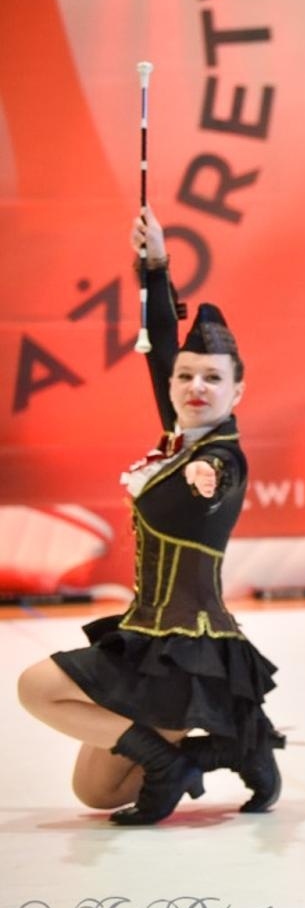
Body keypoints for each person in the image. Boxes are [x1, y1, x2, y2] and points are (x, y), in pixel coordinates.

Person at [17, 208, 281, 825]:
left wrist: (206, 484)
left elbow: (218, 487)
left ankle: (176, 759)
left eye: (213, 379)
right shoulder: (175, 438)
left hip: (182, 650)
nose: (196, 386)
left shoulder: (221, 457)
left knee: (36, 686)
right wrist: (156, 265)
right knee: (97, 793)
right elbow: (162, 341)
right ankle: (224, 746)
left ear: (237, 393)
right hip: (142, 637)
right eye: (186, 377)